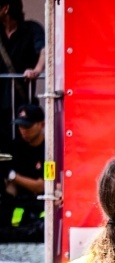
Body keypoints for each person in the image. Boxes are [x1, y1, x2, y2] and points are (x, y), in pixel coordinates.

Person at [0, 0, 43, 152]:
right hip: (1, 103)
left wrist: (36, 70)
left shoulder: (32, 29)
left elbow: (44, 51)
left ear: (5, 8)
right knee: (3, 150)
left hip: (22, 103)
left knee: (23, 145)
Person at [0, 104, 44, 243]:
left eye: (28, 126)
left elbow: (41, 186)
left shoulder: (51, 149)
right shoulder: (15, 148)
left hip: (42, 205)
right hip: (20, 204)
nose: (23, 130)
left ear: (41, 124)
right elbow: (10, 186)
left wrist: (13, 176)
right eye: (20, 126)